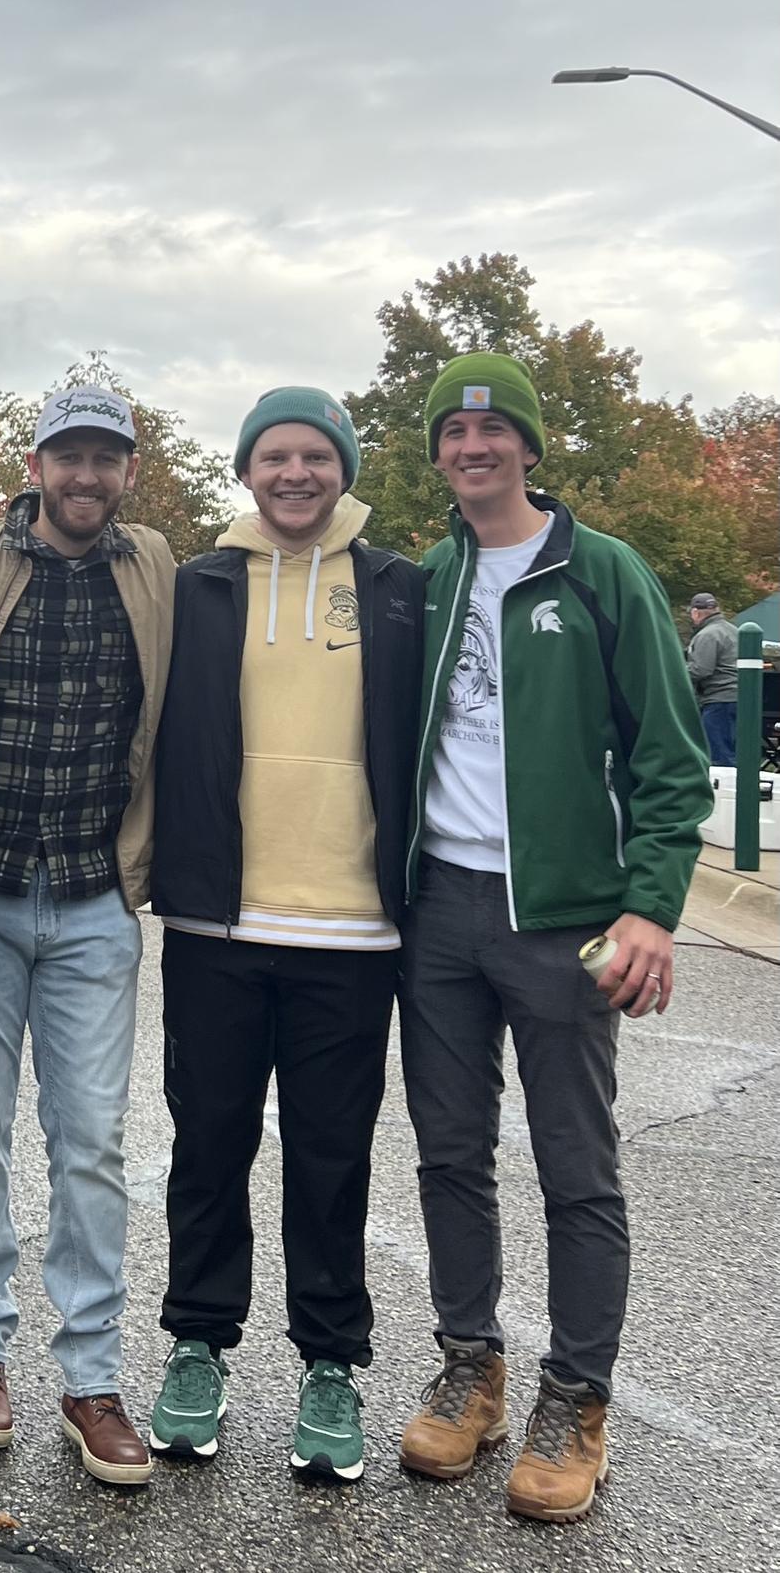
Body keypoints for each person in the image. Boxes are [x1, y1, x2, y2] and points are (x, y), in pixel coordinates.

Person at [396, 352, 711, 1522]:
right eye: (453, 432)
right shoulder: (426, 577)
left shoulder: (600, 574)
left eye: (493, 431)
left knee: (574, 1164)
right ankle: (467, 1365)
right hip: (438, 909)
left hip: (564, 920)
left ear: (526, 446)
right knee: (446, 1149)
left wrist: (650, 904)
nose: (472, 448)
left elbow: (672, 761)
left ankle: (575, 1395)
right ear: (435, 451)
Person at [147, 389, 424, 1483]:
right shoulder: (197, 587)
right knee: (207, 1144)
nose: (295, 472)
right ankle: (195, 1345)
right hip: (217, 916)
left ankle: (329, 1362)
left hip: (352, 929)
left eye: (314, 454)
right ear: (246, 469)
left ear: (342, 466)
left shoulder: (400, 588)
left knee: (329, 1156)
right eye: (274, 455)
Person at [0, 386, 174, 1487]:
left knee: (90, 1144)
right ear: (35, 462)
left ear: (124, 471)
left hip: (90, 899)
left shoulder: (154, 564)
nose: (85, 474)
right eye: (67, 454)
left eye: (104, 458)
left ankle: (90, 1373)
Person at [686, 591, 738, 765]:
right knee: (736, 750)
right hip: (742, 700)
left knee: (719, 754)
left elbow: (700, 670)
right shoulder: (735, 631)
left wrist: (675, 676)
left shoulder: (707, 635)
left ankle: (725, 792)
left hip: (718, 699)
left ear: (695, 612)